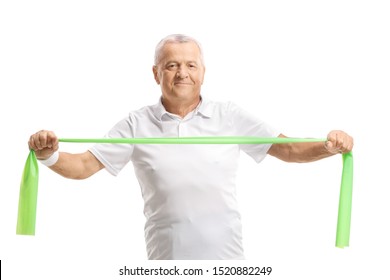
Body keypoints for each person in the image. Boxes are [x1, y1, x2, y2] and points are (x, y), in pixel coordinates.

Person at [28, 34, 354, 260]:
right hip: (164, 263)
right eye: (171, 65)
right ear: (156, 73)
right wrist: (49, 154)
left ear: (203, 73)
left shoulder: (229, 115)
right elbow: (84, 166)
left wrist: (329, 145)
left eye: (190, 65)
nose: (182, 73)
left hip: (229, 263)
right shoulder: (136, 123)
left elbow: (289, 150)